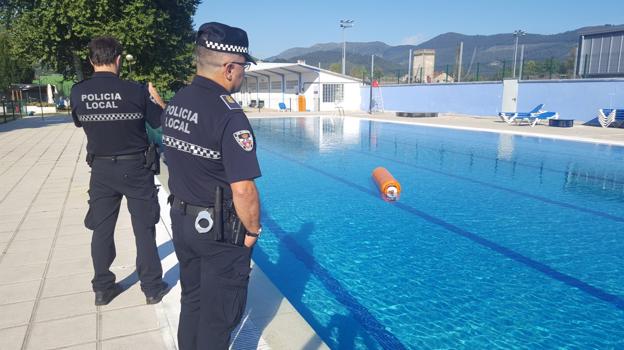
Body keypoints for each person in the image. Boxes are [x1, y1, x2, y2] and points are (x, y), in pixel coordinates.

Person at [162, 22, 262, 349]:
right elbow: (243, 189)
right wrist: (251, 231)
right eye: (244, 67)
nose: (243, 74)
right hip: (218, 230)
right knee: (219, 317)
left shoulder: (178, 101)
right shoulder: (229, 115)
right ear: (230, 68)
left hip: (182, 219)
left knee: (192, 300)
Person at [70, 36, 168, 306]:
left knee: (101, 230)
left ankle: (102, 289)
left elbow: (79, 123)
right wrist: (157, 100)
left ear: (91, 60)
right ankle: (151, 287)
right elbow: (160, 123)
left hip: (100, 169)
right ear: (118, 59)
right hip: (135, 167)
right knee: (143, 228)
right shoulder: (136, 91)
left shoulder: (78, 92)